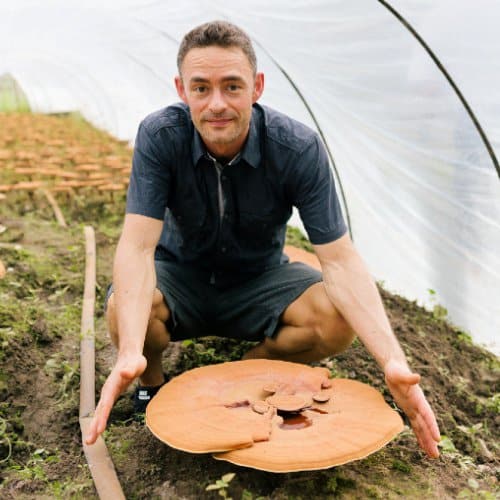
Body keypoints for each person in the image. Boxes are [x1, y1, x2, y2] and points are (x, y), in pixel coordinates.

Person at [85, 20, 440, 458]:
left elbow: (340, 261)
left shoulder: (297, 148)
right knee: (127, 305)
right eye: (201, 88)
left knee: (334, 318)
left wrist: (392, 360)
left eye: (232, 86)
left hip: (259, 280)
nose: (217, 104)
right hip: (181, 276)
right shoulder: (160, 137)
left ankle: (242, 374)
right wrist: (131, 352)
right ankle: (151, 382)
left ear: (257, 87)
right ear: (181, 90)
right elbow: (137, 247)